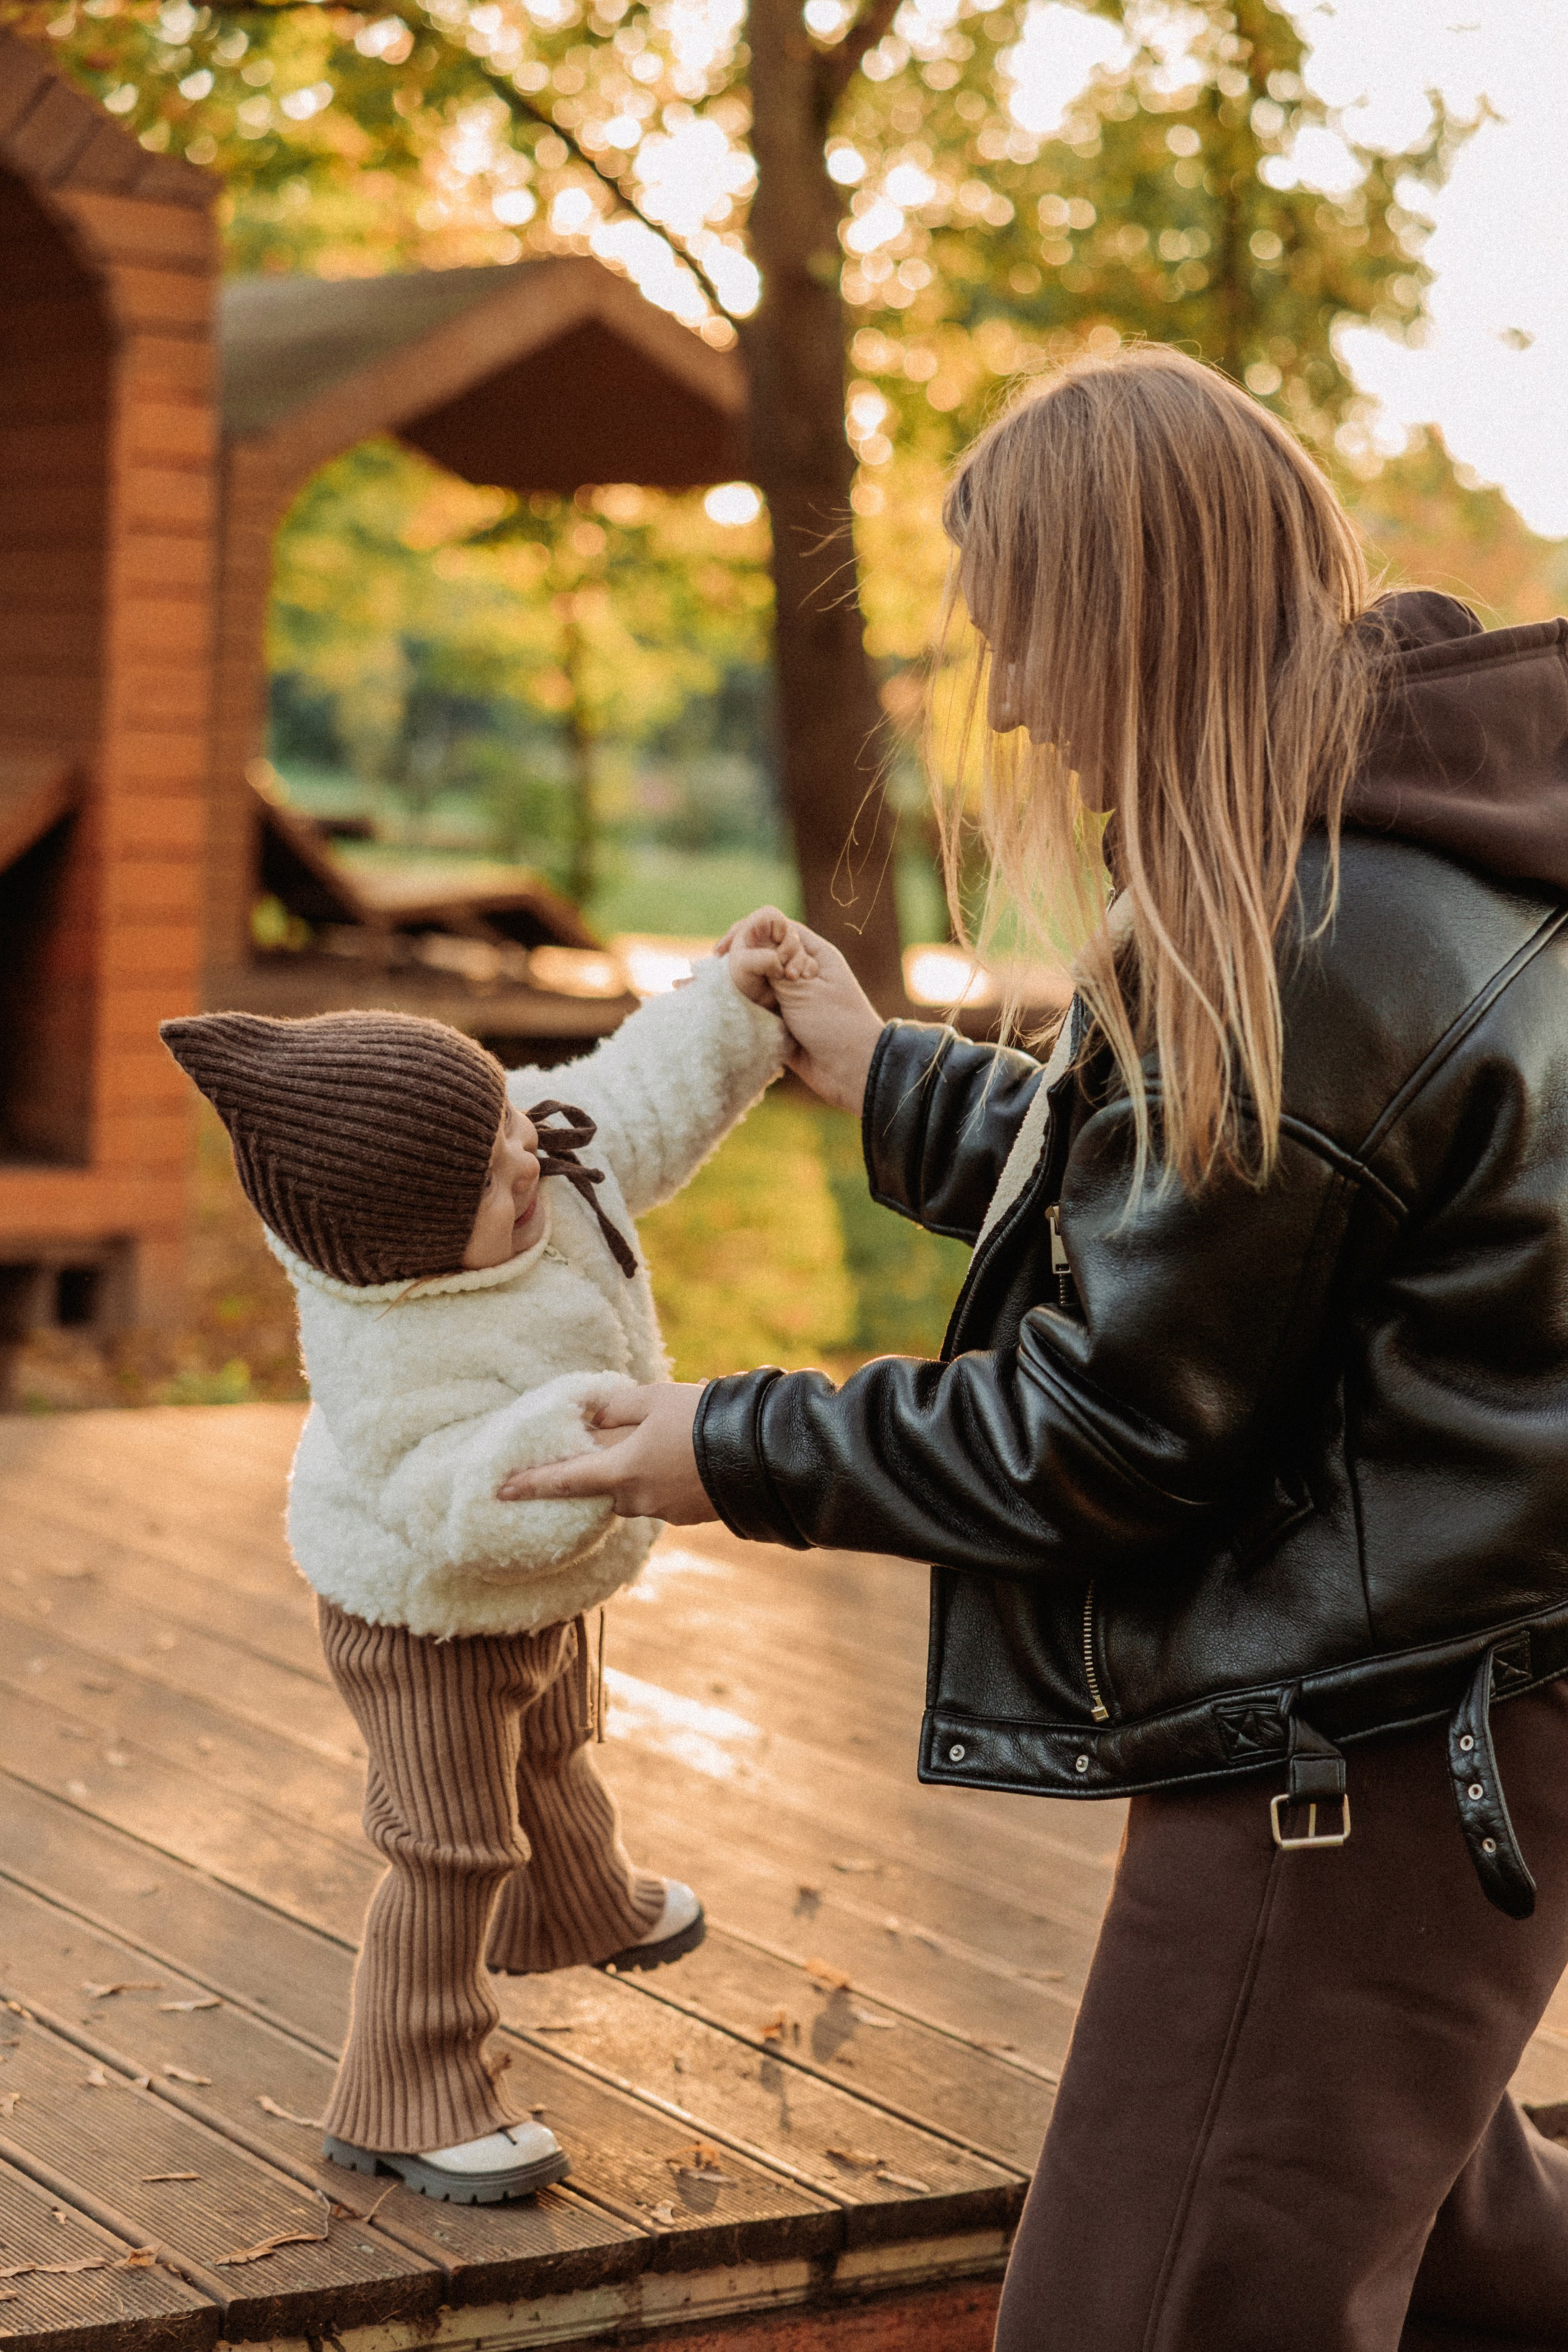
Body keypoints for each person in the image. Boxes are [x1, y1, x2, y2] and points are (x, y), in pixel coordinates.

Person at [502, 347, 1568, 2349]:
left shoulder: (1293, 916)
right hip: (1462, 1711)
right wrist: (881, 1072)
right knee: (1463, 2267)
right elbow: (1225, 1208)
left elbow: (1112, 1425)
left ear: (1119, 612)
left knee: (1142, 2312)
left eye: (1012, 634)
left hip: (1356, 1758)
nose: (999, 698)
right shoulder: (1412, 854)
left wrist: (714, 1443)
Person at [159, 916, 812, 2206]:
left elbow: (627, 1098)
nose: (537, 1162)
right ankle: (406, 2089)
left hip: (549, 1578)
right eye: (505, 1181)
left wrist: (726, 1004)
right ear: (402, 1249)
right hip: (424, 1614)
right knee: (448, 1842)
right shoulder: (392, 1352)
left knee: (559, 1736)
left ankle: (571, 1907)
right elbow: (447, 1497)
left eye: (516, 1129)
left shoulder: (503, 1141)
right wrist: (568, 1439)